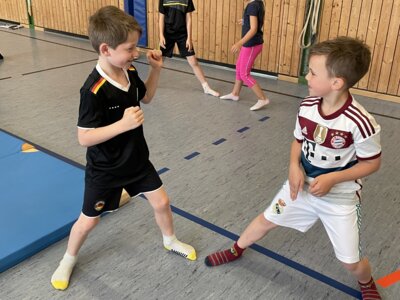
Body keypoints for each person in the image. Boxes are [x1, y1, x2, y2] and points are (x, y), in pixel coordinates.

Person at [205, 37, 382, 299]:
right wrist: (293, 166)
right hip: (300, 189)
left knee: (351, 263)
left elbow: (372, 163)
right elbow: (298, 141)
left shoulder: (360, 122)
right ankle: (236, 249)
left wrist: (334, 179)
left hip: (339, 200)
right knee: (266, 220)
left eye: (312, 72)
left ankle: (366, 283)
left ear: (336, 83)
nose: (306, 76)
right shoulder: (308, 106)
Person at [51, 6, 196, 291]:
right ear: (106, 49)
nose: (136, 53)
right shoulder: (92, 89)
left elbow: (148, 98)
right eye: (130, 48)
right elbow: (84, 137)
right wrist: (122, 124)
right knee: (89, 222)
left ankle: (169, 240)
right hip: (105, 169)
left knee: (162, 202)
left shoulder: (127, 69)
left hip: (137, 161)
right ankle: (68, 259)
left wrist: (156, 70)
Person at [158, 0, 219, 97]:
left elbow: (189, 18)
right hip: (168, 34)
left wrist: (189, 38)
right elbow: (161, 17)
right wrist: (161, 35)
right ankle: (148, 85)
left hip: (182, 34)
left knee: (193, 61)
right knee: (158, 61)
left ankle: (206, 87)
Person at [220, 0, 270, 111]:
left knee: (244, 74)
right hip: (250, 44)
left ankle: (262, 98)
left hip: (251, 45)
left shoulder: (252, 6)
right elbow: (255, 22)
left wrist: (239, 43)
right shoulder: (258, 3)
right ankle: (235, 93)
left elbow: (253, 29)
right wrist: (245, 21)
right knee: (239, 67)